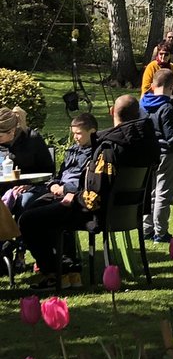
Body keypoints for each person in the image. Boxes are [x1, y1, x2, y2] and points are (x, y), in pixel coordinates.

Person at [19, 95, 159, 284]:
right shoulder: (146, 144)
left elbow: (93, 196)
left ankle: (55, 273)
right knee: (41, 204)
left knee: (28, 218)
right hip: (128, 212)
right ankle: (66, 267)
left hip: (97, 212)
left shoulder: (109, 147)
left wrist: (73, 198)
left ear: (112, 113)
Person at [3, 111, 98, 219]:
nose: (75, 137)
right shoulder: (73, 151)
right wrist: (54, 185)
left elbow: (88, 180)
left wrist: (65, 188)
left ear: (92, 132)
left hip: (74, 195)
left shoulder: (96, 154)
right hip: (56, 190)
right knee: (30, 212)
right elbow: (61, 174)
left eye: (78, 133)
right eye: (73, 133)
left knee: (28, 214)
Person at [141, 69, 173, 243]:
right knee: (163, 193)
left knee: (150, 192)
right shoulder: (168, 108)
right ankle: (161, 233)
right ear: (172, 86)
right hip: (166, 154)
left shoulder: (142, 104)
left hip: (147, 153)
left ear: (153, 85)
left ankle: (147, 228)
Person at [0, 106, 54, 175]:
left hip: (31, 183)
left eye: (0, 136)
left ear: (12, 131)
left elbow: (48, 170)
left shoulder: (32, 139)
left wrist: (29, 184)